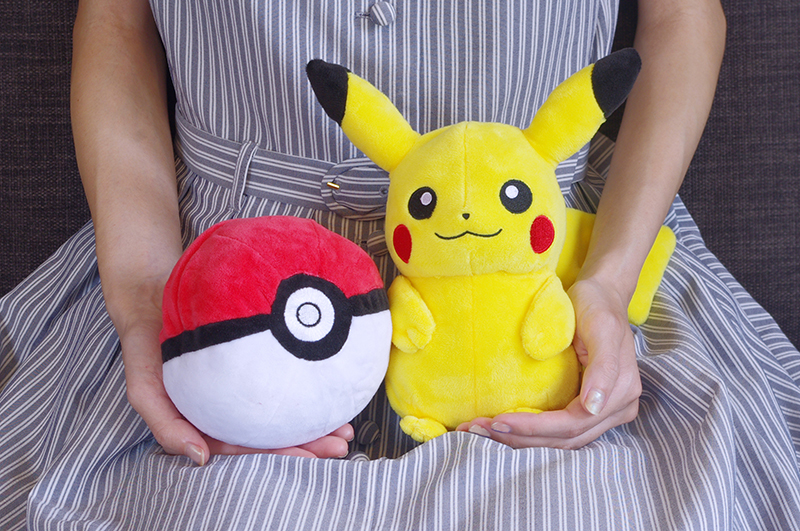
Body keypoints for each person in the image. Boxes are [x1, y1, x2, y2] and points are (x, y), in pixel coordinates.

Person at [2, 0, 799, 529]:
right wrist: (148, 299)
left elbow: (682, 16)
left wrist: (609, 281)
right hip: (212, 292)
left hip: (551, 284)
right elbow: (116, 20)